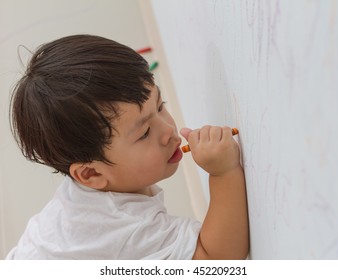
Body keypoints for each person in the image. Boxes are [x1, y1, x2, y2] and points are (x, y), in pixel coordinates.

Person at [6, 34, 249, 259]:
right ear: (91, 173)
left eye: (160, 105)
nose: (167, 131)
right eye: (144, 133)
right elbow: (217, 261)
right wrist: (223, 173)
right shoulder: (122, 225)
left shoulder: (90, 192)